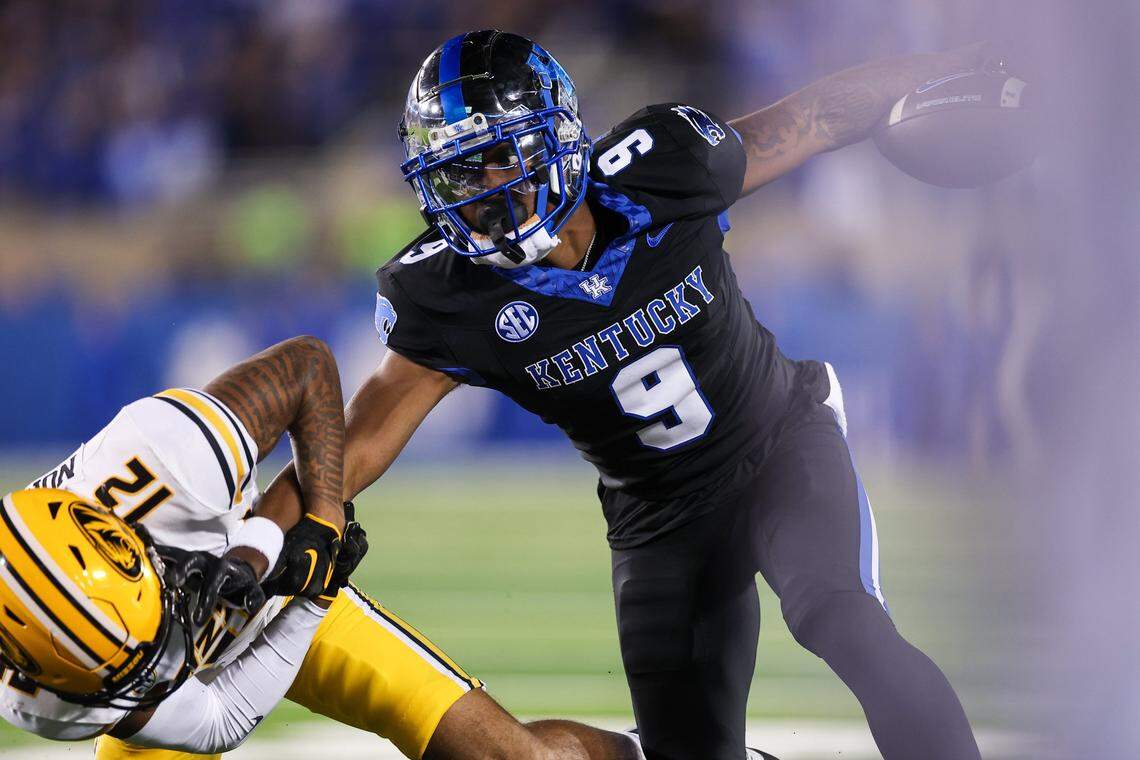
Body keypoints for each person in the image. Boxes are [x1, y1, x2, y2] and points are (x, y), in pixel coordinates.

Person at [259, 30, 986, 760]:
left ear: (560, 139)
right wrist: (253, 544)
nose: (484, 196)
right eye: (457, 178)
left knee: (841, 618)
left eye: (499, 159)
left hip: (777, 440)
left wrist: (952, 65)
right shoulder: (448, 295)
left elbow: (821, 114)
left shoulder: (662, 166)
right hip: (659, 516)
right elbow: (354, 444)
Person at [0, 336, 642, 760]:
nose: (163, 657)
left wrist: (316, 526)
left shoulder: (169, 454)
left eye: (152, 632)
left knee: (506, 757)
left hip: (265, 592)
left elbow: (307, 366)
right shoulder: (44, 698)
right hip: (267, 600)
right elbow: (218, 716)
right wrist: (313, 596)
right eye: (135, 663)